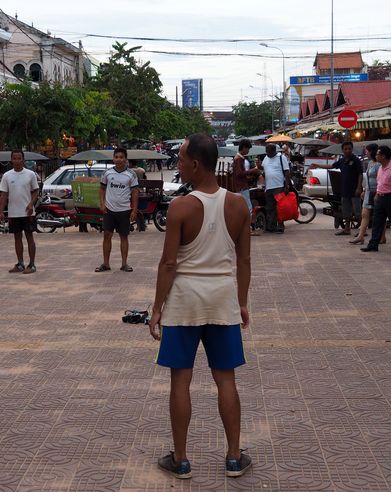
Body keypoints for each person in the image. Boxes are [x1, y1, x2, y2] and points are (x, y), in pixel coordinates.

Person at [148, 133, 252, 480]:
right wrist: (242, 303)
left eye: (179, 159)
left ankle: (180, 459)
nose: (177, 164)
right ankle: (234, 457)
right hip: (222, 299)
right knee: (226, 380)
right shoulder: (238, 204)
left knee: (181, 381)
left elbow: (168, 264)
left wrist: (157, 307)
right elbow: (244, 260)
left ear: (195, 164)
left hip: (184, 301)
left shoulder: (180, 206)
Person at [95, 147, 138, 272]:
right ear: (113, 158)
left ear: (125, 159)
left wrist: (134, 210)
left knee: (123, 236)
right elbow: (102, 189)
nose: (119, 159)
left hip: (124, 210)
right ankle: (106, 264)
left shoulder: (131, 174)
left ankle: (124, 264)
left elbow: (135, 192)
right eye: (116, 157)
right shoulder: (107, 173)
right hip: (109, 210)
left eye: (121, 157)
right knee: (107, 235)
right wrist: (102, 204)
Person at [0, 150, 40, 274]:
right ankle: (20, 263)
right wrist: (1, 211)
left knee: (29, 237)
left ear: (23, 160)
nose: (17, 161)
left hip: (27, 212)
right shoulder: (7, 176)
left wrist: (31, 204)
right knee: (17, 238)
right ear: (11, 160)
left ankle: (32, 264)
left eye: (19, 158)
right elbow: (4, 195)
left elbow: (36, 191)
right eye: (14, 158)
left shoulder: (30, 174)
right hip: (13, 212)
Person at [361, 146, 391, 252]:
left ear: (383, 156)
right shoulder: (380, 168)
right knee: (377, 222)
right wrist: (377, 194)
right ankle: (373, 244)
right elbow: (380, 183)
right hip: (380, 197)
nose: (376, 156)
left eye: (378, 154)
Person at [310, 141, 363, 236]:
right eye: (345, 149)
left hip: (355, 190)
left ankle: (363, 230)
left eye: (349, 149)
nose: (347, 150)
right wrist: (318, 165)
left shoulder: (356, 160)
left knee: (358, 211)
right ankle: (347, 229)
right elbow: (331, 166)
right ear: (342, 150)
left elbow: (360, 174)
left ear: (352, 149)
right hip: (345, 190)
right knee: (346, 211)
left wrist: (359, 187)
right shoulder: (342, 160)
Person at [350, 144, 386, 245]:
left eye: (367, 151)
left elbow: (381, 180)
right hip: (369, 191)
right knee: (365, 214)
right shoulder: (370, 163)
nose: (366, 153)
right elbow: (367, 178)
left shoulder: (379, 165)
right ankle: (361, 236)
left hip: (377, 192)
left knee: (379, 215)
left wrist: (378, 192)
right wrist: (365, 190)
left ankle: (382, 236)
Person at [259, 144, 290, 233]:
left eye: (268, 151)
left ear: (274, 151)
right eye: (266, 151)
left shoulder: (281, 157)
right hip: (269, 187)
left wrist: (286, 186)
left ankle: (280, 226)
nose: (267, 153)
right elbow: (264, 169)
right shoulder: (266, 158)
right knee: (270, 208)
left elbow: (287, 172)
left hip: (279, 186)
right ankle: (271, 226)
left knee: (279, 208)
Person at [232, 139, 261, 215]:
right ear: (244, 147)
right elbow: (239, 173)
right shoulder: (238, 159)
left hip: (242, 186)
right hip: (241, 187)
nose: (248, 151)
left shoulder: (240, 158)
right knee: (248, 207)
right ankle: (247, 225)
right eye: (248, 149)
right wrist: (252, 170)